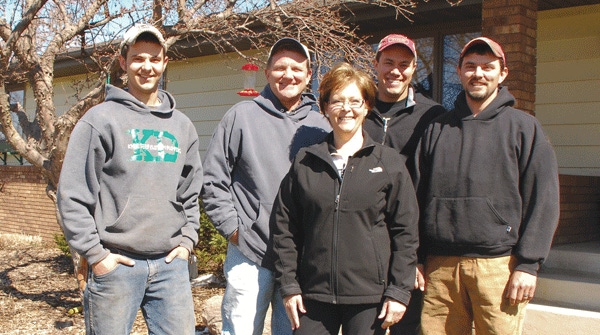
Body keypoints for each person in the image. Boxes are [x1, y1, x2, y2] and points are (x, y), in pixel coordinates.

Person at [57, 23, 202, 335]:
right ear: (123, 63)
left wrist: (188, 241)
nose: (146, 67)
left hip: (170, 265)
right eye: (138, 59)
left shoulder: (182, 126)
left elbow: (190, 193)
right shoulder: (100, 120)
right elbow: (72, 194)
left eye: (154, 59)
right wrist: (96, 256)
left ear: (164, 63)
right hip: (116, 266)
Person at [414, 37, 560, 335]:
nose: (478, 74)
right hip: (440, 267)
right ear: (459, 72)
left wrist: (528, 264)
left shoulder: (524, 127)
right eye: (470, 66)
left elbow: (543, 199)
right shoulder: (436, 129)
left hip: (499, 267)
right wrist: (414, 257)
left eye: (487, 67)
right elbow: (414, 197)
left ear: (502, 74)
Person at [272, 62, 419, 335]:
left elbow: (405, 232)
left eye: (355, 101)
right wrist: (289, 286)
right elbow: (285, 227)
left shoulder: (389, 163)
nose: (346, 108)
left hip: (369, 298)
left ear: (366, 106)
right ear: (325, 107)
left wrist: (399, 290)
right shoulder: (306, 161)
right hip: (313, 296)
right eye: (337, 101)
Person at [201, 38, 331, 335]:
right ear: (267, 72)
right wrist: (234, 230)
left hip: (301, 260)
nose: (289, 74)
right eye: (280, 67)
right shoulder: (241, 116)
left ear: (309, 75)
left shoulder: (321, 125)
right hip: (249, 252)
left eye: (297, 68)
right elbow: (213, 179)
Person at [363, 33, 446, 335]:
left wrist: (419, 257)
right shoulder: (359, 111)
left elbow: (434, 189)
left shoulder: (433, 117)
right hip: (363, 245)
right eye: (388, 62)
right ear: (376, 64)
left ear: (413, 69)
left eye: (404, 64)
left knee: (406, 328)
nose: (395, 71)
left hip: (409, 249)